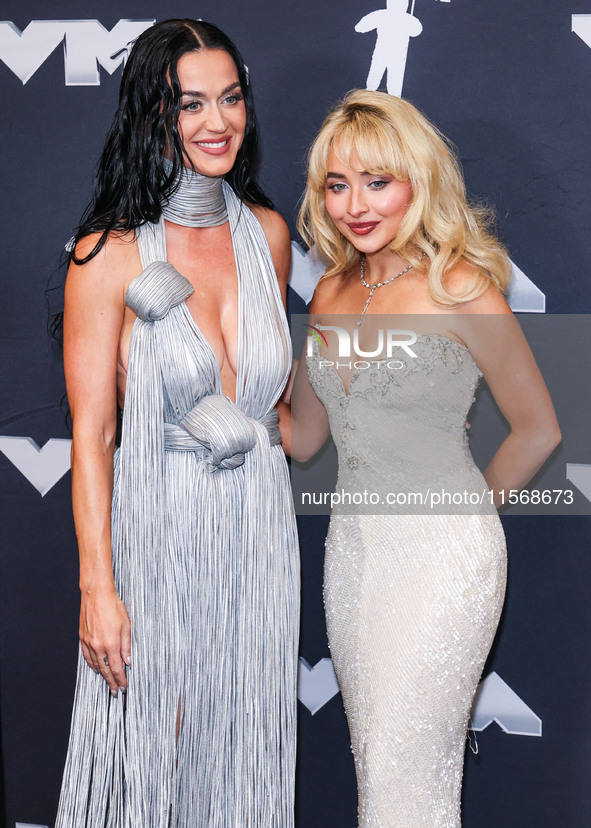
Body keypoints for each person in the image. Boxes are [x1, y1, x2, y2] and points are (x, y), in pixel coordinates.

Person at [283, 90, 560, 826]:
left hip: (444, 558)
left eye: (377, 181)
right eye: (335, 186)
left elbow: (537, 430)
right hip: (353, 559)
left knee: (407, 766)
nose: (354, 205)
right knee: (377, 765)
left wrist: (461, 517)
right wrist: (208, 376)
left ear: (418, 178)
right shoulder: (330, 293)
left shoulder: (460, 287)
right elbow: (304, 436)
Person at [55, 19, 299, 827]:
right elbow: (92, 435)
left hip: (258, 531)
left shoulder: (268, 236)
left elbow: (284, 412)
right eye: (189, 103)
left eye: (229, 98)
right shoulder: (108, 254)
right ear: (152, 116)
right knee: (156, 747)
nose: (216, 121)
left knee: (241, 745)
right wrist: (99, 587)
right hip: (158, 526)